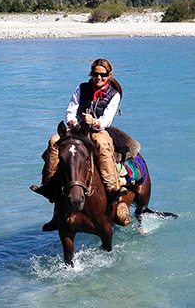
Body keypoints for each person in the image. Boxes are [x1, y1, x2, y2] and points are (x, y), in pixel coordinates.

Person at [31, 58, 131, 227]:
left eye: (103, 75)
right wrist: (71, 121)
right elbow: (71, 108)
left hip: (97, 131)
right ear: (91, 74)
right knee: (54, 141)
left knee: (103, 145)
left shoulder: (114, 94)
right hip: (77, 130)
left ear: (109, 75)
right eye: (95, 74)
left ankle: (112, 188)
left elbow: (106, 120)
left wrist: (94, 122)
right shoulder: (82, 88)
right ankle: (49, 186)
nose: (98, 78)